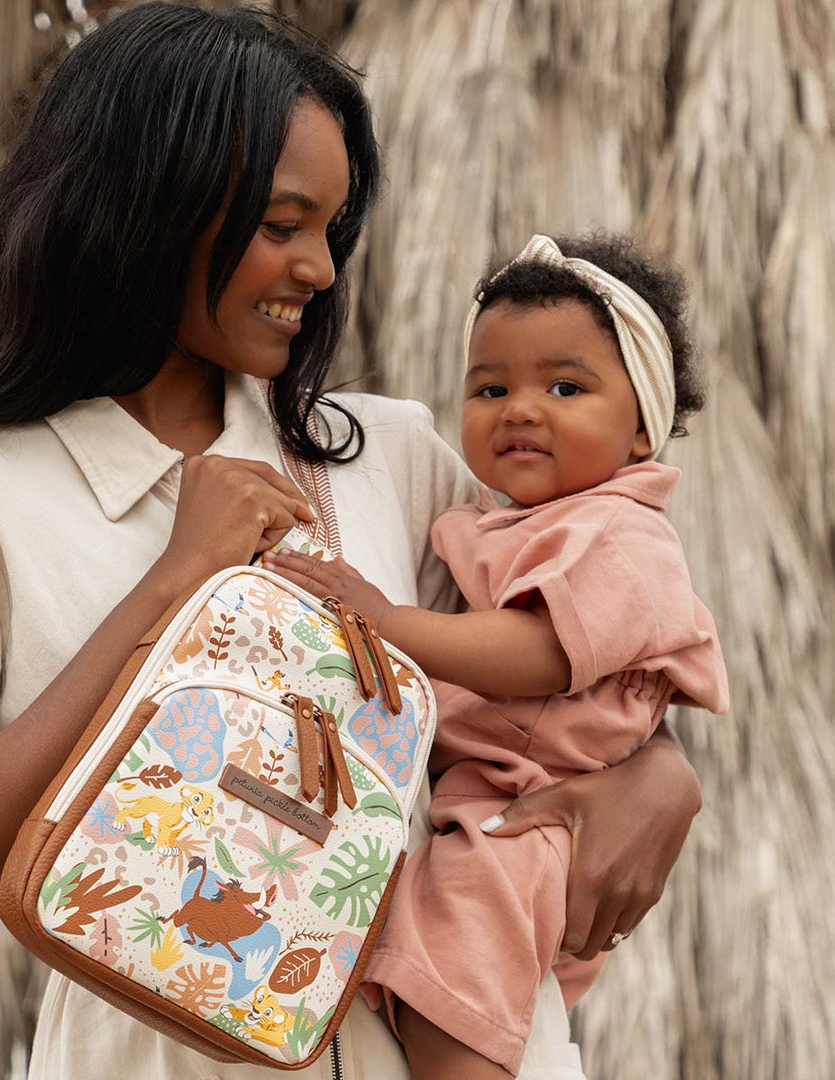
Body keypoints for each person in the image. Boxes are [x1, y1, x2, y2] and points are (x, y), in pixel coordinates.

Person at [0, 8, 704, 1078]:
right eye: (280, 223)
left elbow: (578, 665)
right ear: (145, 207)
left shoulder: (391, 462)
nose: (318, 268)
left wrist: (663, 777)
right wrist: (176, 583)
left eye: (331, 231)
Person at [266, 233, 729, 1078]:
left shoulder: (620, 532)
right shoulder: (508, 520)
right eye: (491, 387)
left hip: (528, 819)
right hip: (495, 808)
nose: (520, 407)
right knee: (431, 983)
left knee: (454, 1014)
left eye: (565, 386)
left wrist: (386, 620)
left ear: (641, 430)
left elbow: (542, 654)